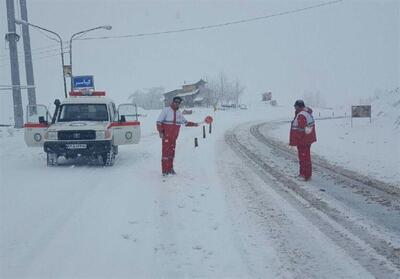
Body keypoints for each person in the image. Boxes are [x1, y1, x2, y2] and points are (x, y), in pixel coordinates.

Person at [156, 96, 198, 176]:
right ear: (173, 101)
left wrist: (194, 124)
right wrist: (161, 132)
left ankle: (170, 169)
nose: (177, 103)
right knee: (165, 154)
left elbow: (185, 122)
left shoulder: (179, 113)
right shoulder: (166, 110)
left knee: (172, 153)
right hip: (166, 137)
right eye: (176, 102)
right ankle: (165, 171)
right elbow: (159, 122)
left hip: (174, 138)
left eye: (179, 102)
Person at [289, 100, 317, 181]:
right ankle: (306, 174)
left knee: (303, 158)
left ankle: (304, 175)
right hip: (307, 140)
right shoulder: (306, 113)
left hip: (303, 141)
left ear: (298, 106)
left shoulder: (301, 115)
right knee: (306, 158)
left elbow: (301, 129)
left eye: (295, 106)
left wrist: (297, 139)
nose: (294, 107)